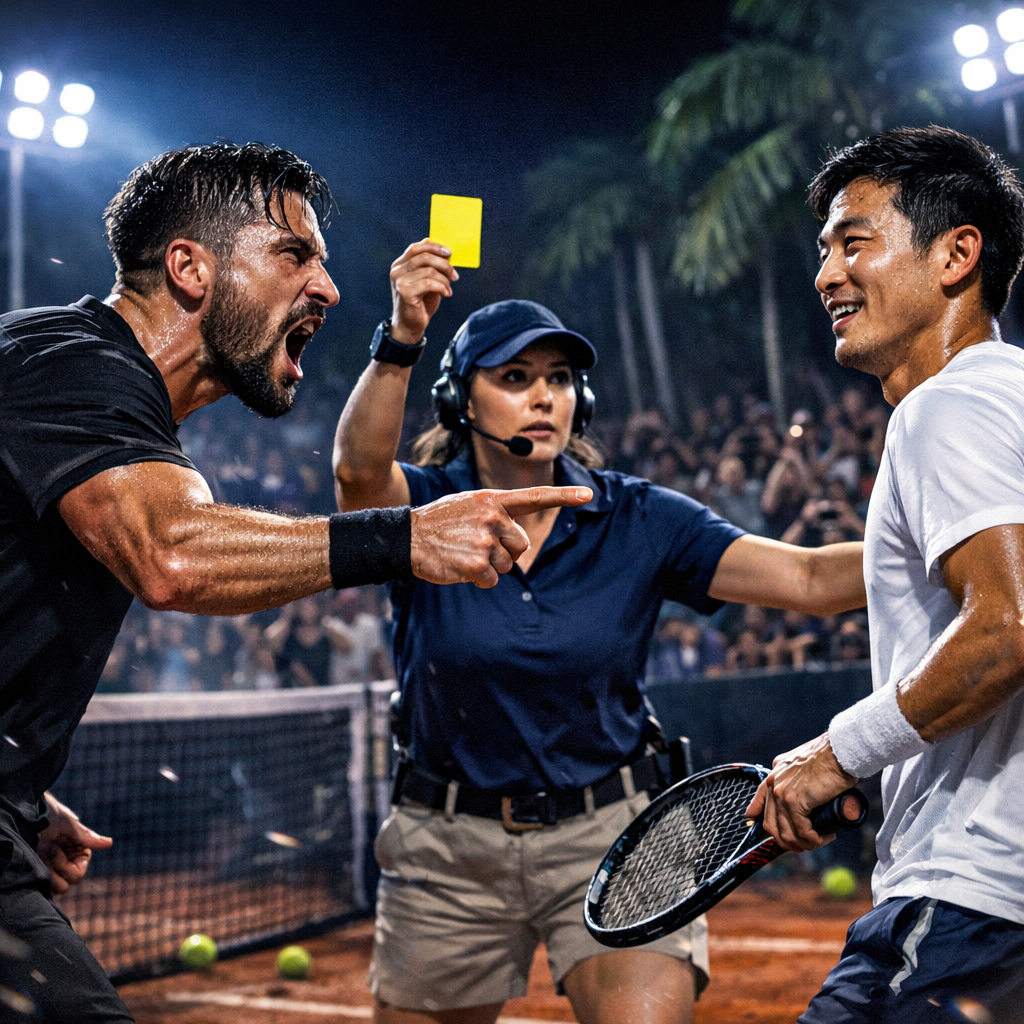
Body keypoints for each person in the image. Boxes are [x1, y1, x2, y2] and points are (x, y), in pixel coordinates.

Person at [0, 143, 589, 1023]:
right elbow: (173, 556)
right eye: (294, 255)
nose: (329, 288)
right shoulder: (72, 360)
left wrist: (18, 791)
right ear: (191, 268)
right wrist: (406, 535)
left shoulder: (91, 391)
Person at [333, 242, 868, 1024]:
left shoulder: (638, 517)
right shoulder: (429, 511)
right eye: (514, 378)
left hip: (614, 836)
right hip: (446, 846)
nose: (543, 397)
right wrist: (402, 337)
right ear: (460, 401)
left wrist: (957, 545)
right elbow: (356, 480)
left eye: (558, 379)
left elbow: (811, 580)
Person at [747, 126, 1024, 1022]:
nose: (826, 275)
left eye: (854, 242)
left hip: (972, 902)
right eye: (823, 251)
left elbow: (1008, 628)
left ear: (956, 255)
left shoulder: (947, 406)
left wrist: (835, 756)